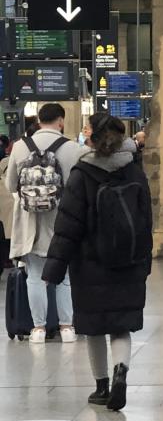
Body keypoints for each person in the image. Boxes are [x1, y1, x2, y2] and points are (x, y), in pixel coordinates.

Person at [42, 114, 152, 411]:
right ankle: (121, 372)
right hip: (128, 261)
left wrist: (54, 267)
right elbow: (145, 220)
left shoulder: (83, 173)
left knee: (93, 327)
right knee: (121, 326)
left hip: (90, 262)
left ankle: (102, 386)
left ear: (91, 139)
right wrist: (145, 261)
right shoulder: (134, 170)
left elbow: (68, 225)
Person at [5, 103, 84, 344]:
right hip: (62, 220)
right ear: (61, 121)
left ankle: (38, 328)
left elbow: (10, 185)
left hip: (30, 222)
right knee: (65, 276)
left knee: (35, 276)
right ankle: (67, 327)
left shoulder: (19, 147)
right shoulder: (73, 148)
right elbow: (77, 187)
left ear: (39, 121)